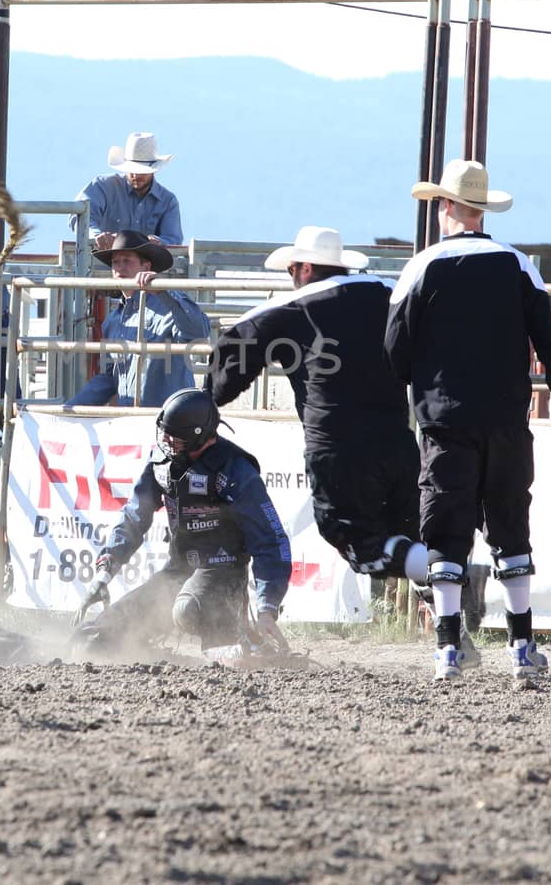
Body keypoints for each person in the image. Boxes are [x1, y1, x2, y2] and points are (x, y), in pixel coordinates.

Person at [386, 160, 551, 682]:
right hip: (506, 418)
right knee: (510, 523)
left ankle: (447, 649)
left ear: (447, 208)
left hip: (444, 421)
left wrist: (402, 395)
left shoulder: (422, 267)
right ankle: (522, 646)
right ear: (480, 209)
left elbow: (394, 347)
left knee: (445, 528)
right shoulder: (517, 265)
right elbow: (550, 340)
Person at [205, 225, 432, 587]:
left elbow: (228, 367)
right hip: (398, 442)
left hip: (338, 449)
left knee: (360, 545)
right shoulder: (388, 293)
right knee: (408, 535)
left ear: (305, 269)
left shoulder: (287, 309)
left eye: (291, 270)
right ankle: (450, 621)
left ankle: (451, 576)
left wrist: (207, 404)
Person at [73, 388, 292, 659]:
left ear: (197, 436)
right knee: (94, 639)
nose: (165, 441)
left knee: (187, 610)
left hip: (222, 575)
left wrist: (267, 607)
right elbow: (134, 515)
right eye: (163, 432)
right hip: (177, 574)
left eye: (173, 436)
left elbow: (270, 539)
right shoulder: (162, 463)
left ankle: (250, 644)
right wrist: (104, 573)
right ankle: (155, 654)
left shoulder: (234, 469)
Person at [65, 231, 211, 409]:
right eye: (115, 262)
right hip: (133, 419)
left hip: (170, 420)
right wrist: (70, 408)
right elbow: (109, 378)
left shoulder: (167, 306)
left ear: (146, 267)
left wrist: (163, 290)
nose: (119, 268)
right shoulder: (112, 320)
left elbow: (199, 332)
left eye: (127, 260)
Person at [71, 132, 183, 250]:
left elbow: (173, 241)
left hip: (144, 266)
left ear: (154, 170)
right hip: (99, 263)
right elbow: (78, 216)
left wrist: (159, 242)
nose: (135, 175)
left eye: (141, 171)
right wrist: (96, 235)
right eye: (131, 170)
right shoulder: (104, 186)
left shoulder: (168, 201)